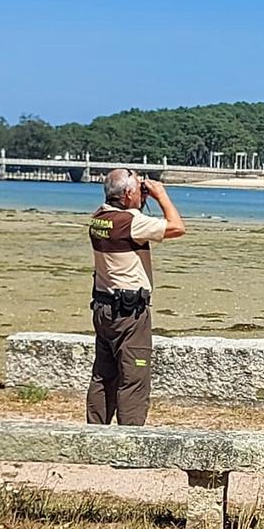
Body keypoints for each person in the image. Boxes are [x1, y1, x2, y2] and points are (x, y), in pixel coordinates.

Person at [86, 168, 185, 425]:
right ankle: (130, 441)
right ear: (128, 193)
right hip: (129, 313)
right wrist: (161, 195)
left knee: (104, 376)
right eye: (139, 189)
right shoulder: (130, 223)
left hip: (104, 307)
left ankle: (94, 435)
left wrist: (138, 199)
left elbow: (129, 220)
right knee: (134, 377)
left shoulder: (99, 217)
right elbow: (177, 227)